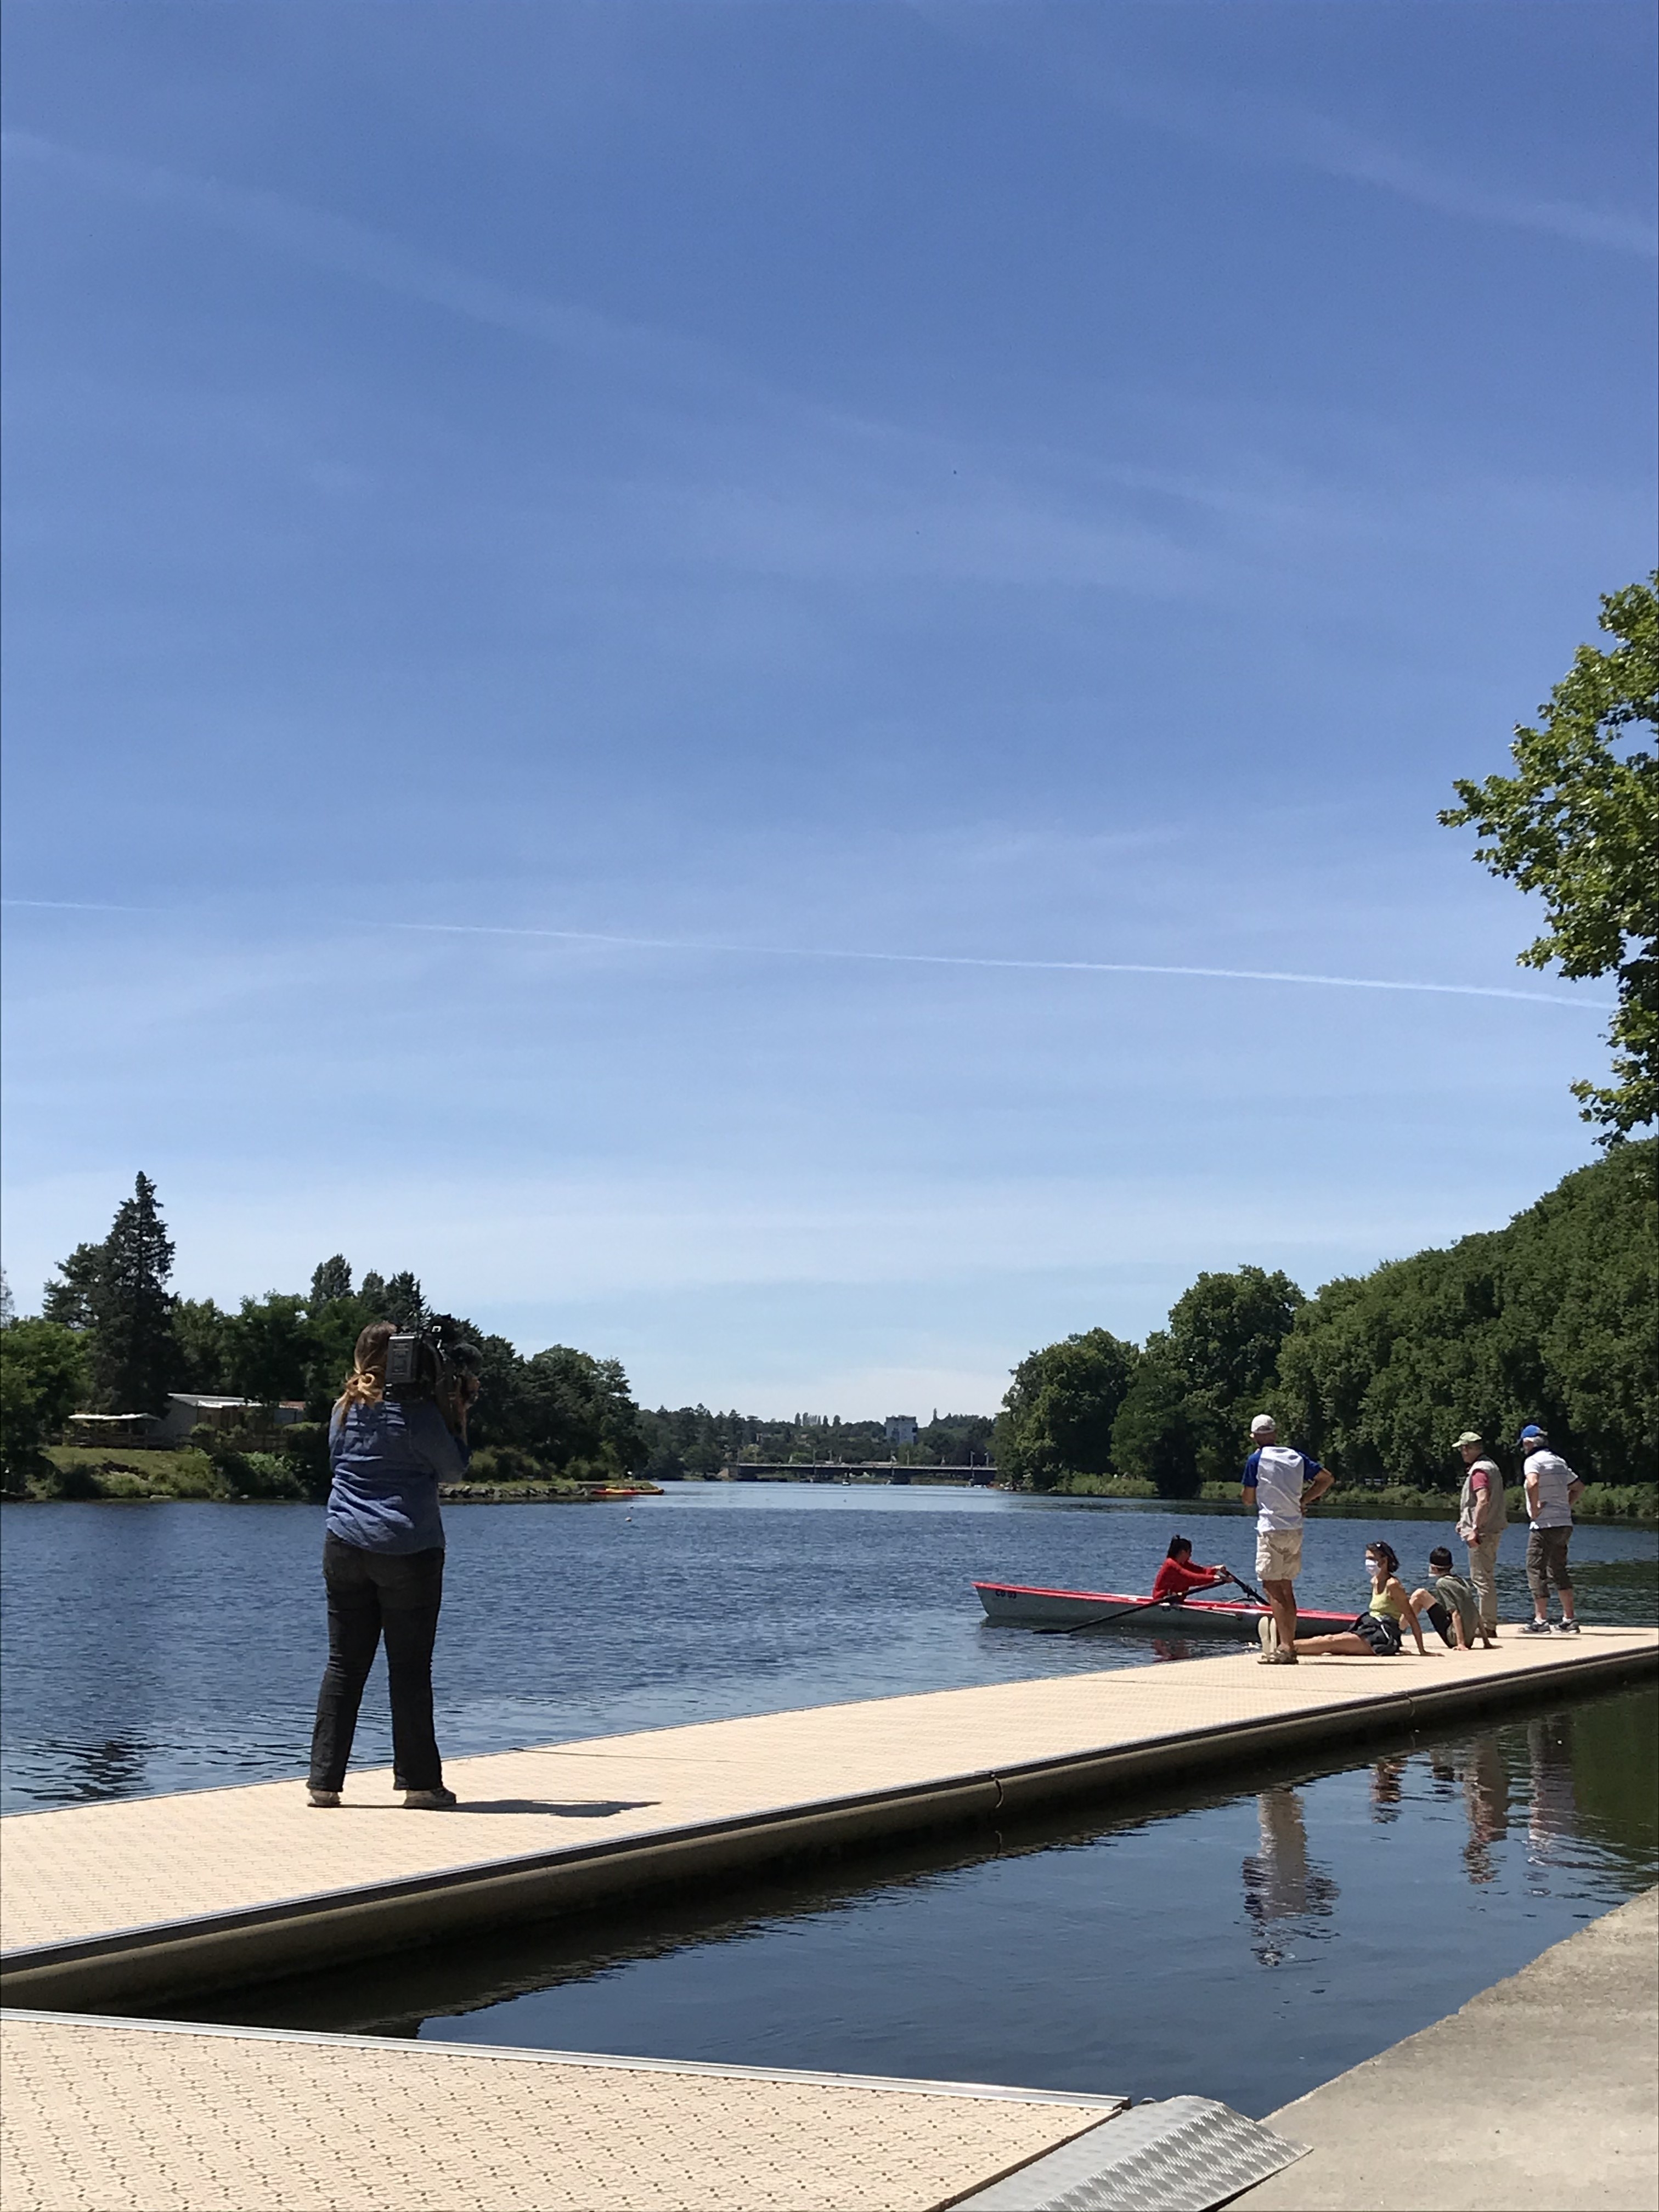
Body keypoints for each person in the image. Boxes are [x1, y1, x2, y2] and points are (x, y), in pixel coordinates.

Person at [307, 1321, 478, 1809]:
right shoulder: (419, 1413)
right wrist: (459, 1415)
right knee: (408, 1668)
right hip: (408, 1545)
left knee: (344, 1664)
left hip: (343, 1544)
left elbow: (338, 1462)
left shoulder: (342, 1410)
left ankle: (324, 1782)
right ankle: (420, 1784)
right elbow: (453, 1469)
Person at [1241, 1414, 1333, 1665]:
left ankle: (1285, 1648)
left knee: (1272, 1587)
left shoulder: (1256, 1460)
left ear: (1256, 1437)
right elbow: (1326, 1478)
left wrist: (1251, 1494)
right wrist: (1303, 1500)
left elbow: (1249, 1498)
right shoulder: (1295, 1456)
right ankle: (1288, 1644)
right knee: (1287, 1587)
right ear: (1275, 1433)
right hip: (1295, 1529)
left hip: (1271, 1529)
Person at [1259, 1539, 1427, 1660]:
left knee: (1330, 1642)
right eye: (1367, 1558)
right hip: (1368, 1627)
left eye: (1372, 1559)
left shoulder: (1393, 1585)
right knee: (1329, 1640)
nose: (1368, 1563)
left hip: (1382, 1636)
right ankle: (1284, 1645)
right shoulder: (1375, 1581)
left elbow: (1410, 1616)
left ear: (1384, 1561)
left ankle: (1283, 1646)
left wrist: (1422, 1650)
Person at [1517, 1424, 1584, 1634]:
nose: (1523, 1449)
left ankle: (1540, 1620)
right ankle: (1569, 1619)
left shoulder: (1533, 1461)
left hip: (1544, 1525)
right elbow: (1579, 1487)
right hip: (1564, 1523)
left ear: (1529, 1443)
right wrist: (1567, 1505)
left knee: (1536, 1568)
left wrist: (1535, 1508)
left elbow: (1532, 1483)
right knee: (1559, 1569)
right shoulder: (1558, 1461)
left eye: (1524, 1445)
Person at [1453, 1431, 1507, 1640]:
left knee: (1481, 1580)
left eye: (1464, 1449)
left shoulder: (1479, 1471)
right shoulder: (1491, 1466)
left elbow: (1482, 1500)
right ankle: (1488, 1623)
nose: (1462, 1453)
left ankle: (1487, 1625)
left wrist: (1474, 1528)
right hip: (1493, 1529)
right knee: (1487, 1577)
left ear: (1471, 1448)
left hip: (1482, 1533)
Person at [1411, 1545, 1487, 1651]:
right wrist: (1486, 1641)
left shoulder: (1442, 1584)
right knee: (1427, 1598)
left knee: (1419, 1595)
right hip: (1469, 1639)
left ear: (1434, 1568)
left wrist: (1461, 1644)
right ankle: (1397, 1631)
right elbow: (1475, 1612)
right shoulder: (1461, 1582)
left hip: (1453, 1639)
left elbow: (1455, 1613)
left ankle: (1397, 1632)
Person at [1150, 1536, 1233, 1605]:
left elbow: (1202, 1571)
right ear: (1183, 1552)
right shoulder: (1171, 1565)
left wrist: (1215, 1569)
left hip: (1175, 1601)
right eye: (1189, 1553)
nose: (1190, 1556)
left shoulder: (1184, 1564)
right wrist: (1217, 1578)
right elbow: (1191, 1578)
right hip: (1162, 1602)